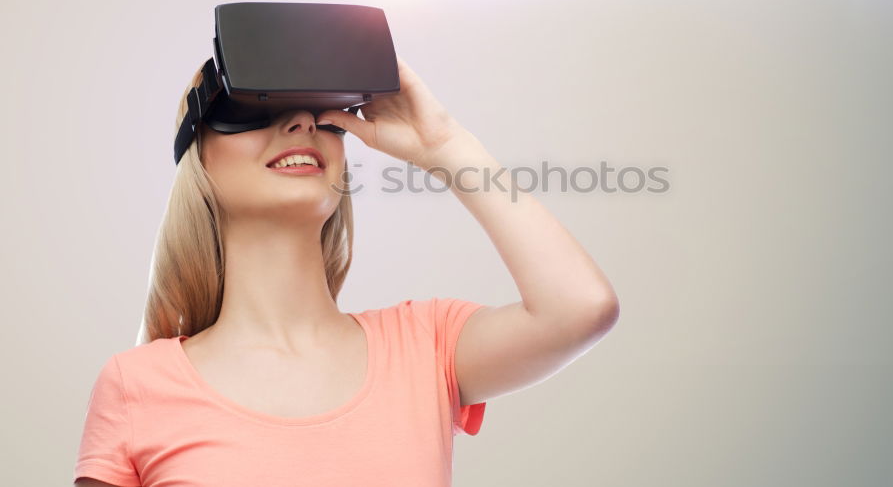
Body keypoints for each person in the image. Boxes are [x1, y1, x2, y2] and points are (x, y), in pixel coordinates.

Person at [73, 55, 620, 486]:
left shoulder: (426, 345)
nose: (303, 121)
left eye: (323, 110)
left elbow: (580, 309)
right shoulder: (137, 385)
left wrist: (447, 146)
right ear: (198, 155)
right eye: (251, 105)